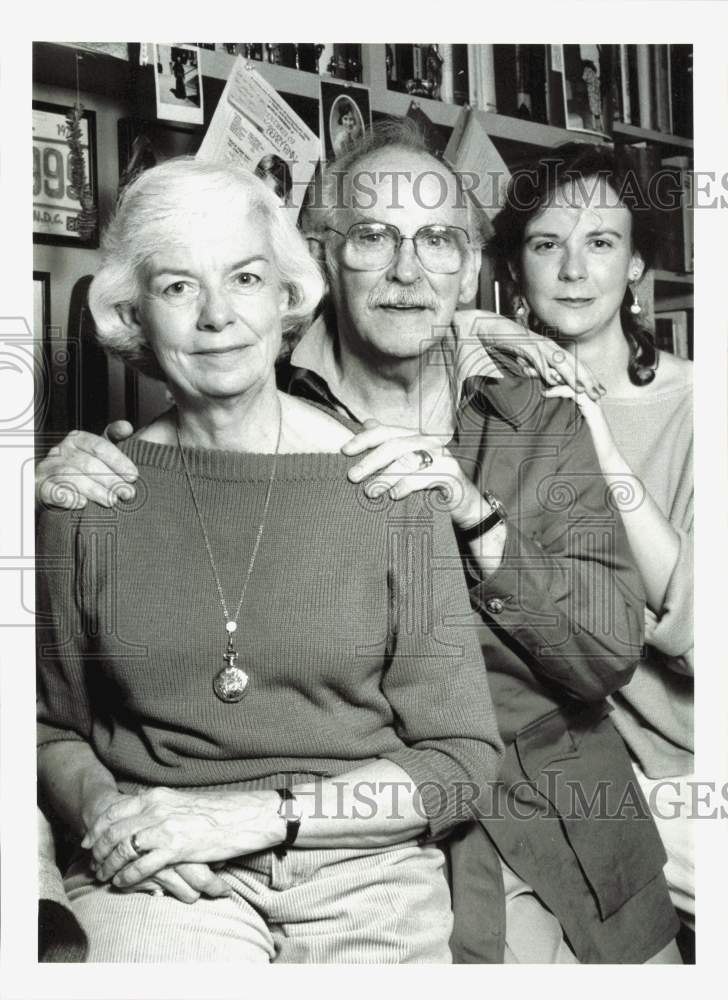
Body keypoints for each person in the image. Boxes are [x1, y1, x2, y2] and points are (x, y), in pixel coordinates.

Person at [36, 122, 680, 964]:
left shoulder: (539, 419)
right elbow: (63, 708)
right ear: (324, 257)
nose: (410, 272)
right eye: (374, 237)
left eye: (439, 241)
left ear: (472, 264)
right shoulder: (235, 395)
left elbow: (605, 652)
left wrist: (475, 517)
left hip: (540, 811)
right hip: (360, 836)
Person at [36, 156, 504, 963]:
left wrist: (254, 816)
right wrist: (111, 816)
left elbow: (461, 759)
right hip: (168, 868)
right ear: (133, 315)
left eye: (245, 279)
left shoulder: (390, 488)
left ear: (287, 297)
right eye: (179, 287)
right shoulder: (88, 497)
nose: (218, 316)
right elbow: (46, 729)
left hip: (365, 866)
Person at [489, 141, 693, 920]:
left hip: (684, 770)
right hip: (551, 759)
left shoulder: (700, 405)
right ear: (514, 267)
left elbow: (698, 637)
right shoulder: (486, 401)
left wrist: (600, 442)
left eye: (601, 243)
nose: (574, 270)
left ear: (637, 264)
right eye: (547, 244)